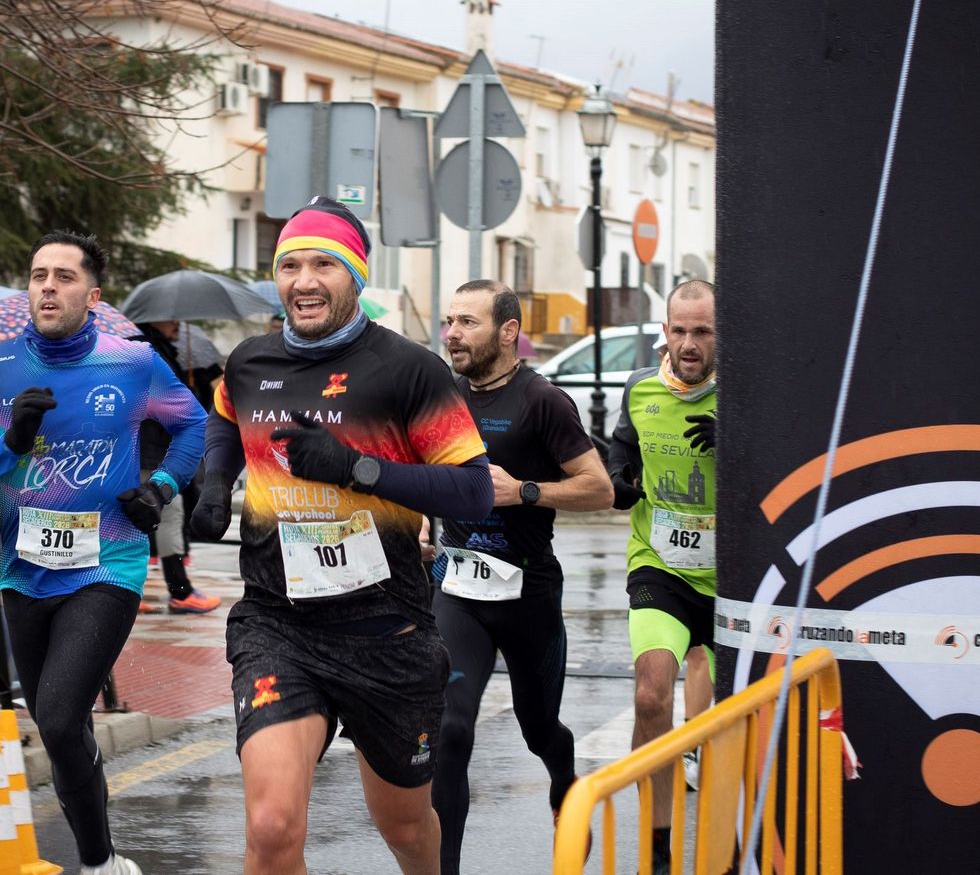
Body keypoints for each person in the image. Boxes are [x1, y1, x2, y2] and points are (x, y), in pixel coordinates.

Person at [188, 196, 493, 875]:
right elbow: (224, 417)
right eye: (289, 265)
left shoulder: (410, 370)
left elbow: (473, 491)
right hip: (279, 626)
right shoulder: (249, 362)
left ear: (356, 275)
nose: (303, 280)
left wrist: (357, 468)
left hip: (388, 634)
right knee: (270, 829)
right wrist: (215, 483)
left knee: (408, 831)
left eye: (323, 263)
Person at [0, 231, 207, 875]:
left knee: (59, 720)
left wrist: (162, 486)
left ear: (93, 294)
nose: (48, 287)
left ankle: (97, 865)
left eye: (63, 276)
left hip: (105, 564)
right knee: (63, 733)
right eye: (37, 275)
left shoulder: (132, 362)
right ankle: (104, 856)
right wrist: (13, 441)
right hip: (23, 571)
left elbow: (192, 424)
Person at [432, 280, 613, 873]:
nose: (453, 333)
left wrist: (524, 492)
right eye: (449, 321)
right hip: (458, 588)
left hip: (528, 592)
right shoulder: (441, 394)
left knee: (540, 730)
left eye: (467, 322)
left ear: (508, 332)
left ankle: (565, 777)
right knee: (451, 728)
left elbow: (600, 489)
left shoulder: (543, 401)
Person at [606, 279, 718, 874]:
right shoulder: (639, 388)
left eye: (702, 332)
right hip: (661, 566)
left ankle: (732, 847)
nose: (689, 344)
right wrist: (620, 480)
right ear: (665, 332)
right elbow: (619, 453)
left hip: (734, 582)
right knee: (651, 693)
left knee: (730, 723)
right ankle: (655, 851)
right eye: (680, 330)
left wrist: (739, 446)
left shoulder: (745, 396)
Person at [129, 319, 222, 614]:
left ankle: (130, 591)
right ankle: (179, 592)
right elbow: (162, 401)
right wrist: (188, 396)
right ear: (155, 318)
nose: (179, 325)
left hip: (147, 451)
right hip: (152, 452)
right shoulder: (148, 351)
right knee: (167, 516)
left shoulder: (154, 348)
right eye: (172, 319)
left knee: (143, 520)